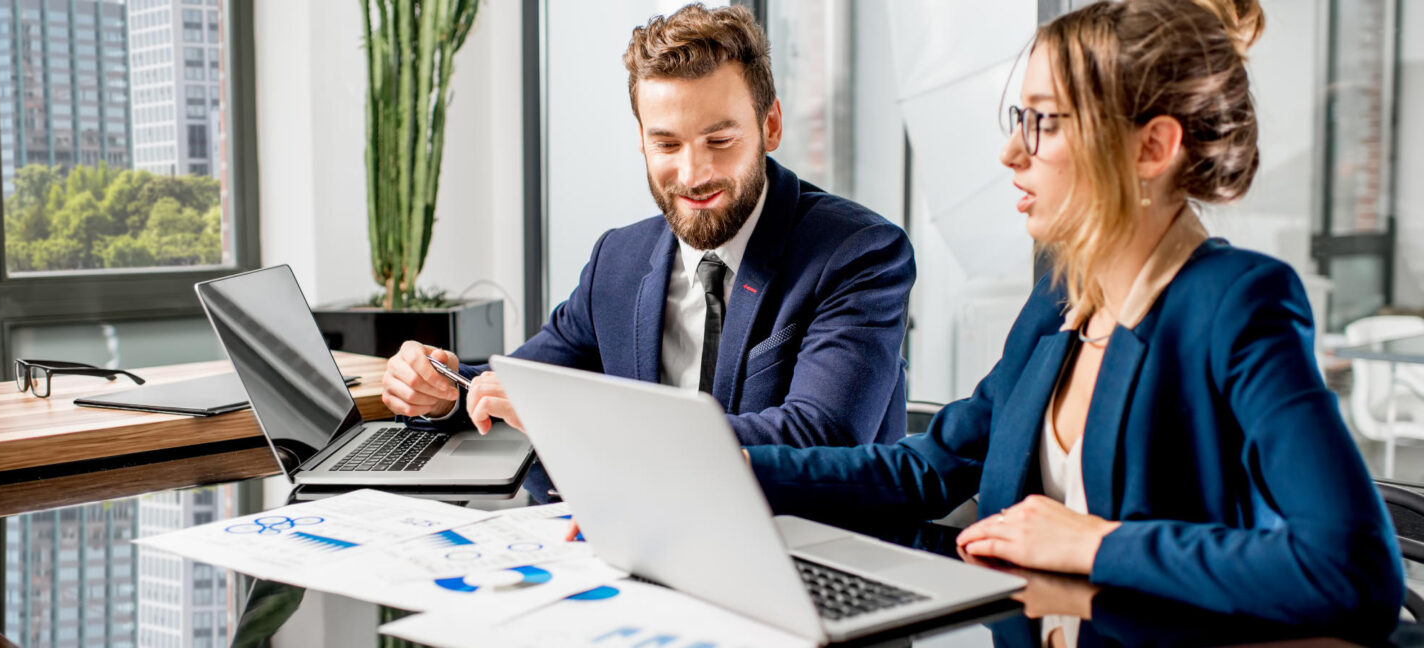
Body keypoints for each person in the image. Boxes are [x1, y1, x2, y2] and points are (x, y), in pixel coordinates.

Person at [745, 0, 1403, 635]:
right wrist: (736, 466)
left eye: (1046, 123)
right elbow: (926, 471)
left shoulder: (1238, 304)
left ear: (1153, 148)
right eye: (1018, 117)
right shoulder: (1060, 299)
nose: (1010, 153)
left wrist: (1096, 544)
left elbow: (1353, 569)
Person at [380, 4, 916, 496]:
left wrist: (576, 421)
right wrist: (443, 388)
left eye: (720, 140)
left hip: (809, 548)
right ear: (640, 138)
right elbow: (527, 385)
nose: (693, 173)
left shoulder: (860, 253)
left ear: (769, 126)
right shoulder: (619, 258)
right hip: (641, 540)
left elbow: (819, 436)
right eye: (667, 143)